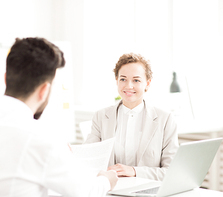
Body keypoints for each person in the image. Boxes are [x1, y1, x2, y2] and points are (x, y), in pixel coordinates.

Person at [0, 37, 118, 197]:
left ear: (6, 78)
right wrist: (106, 180)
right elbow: (86, 192)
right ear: (44, 90)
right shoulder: (41, 138)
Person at [84, 53, 179, 181]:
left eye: (136, 80)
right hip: (111, 189)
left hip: (147, 190)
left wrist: (134, 171)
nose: (129, 86)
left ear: (148, 83)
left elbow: (171, 171)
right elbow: (88, 161)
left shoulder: (165, 119)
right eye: (123, 79)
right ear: (116, 81)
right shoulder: (101, 117)